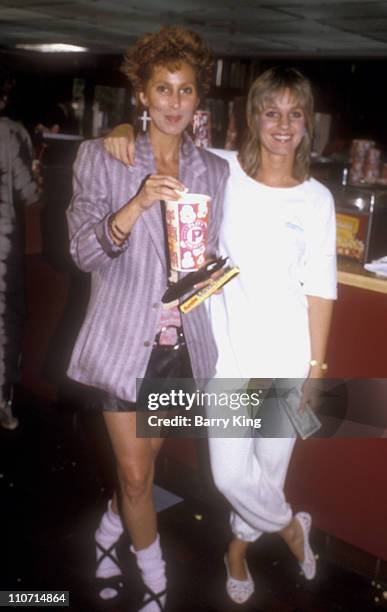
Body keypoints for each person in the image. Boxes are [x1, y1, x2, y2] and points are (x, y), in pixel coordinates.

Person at [103, 66, 337, 605]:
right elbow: (162, 139)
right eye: (270, 112)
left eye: (294, 114)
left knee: (268, 476)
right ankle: (292, 529)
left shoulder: (318, 200)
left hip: (286, 360)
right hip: (228, 357)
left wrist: (317, 373)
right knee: (233, 477)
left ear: (307, 124)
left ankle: (236, 552)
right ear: (251, 117)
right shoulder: (221, 170)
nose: (282, 125)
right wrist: (121, 130)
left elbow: (322, 289)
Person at [66, 26, 229, 612]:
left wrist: (213, 271)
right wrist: (136, 204)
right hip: (124, 342)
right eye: (163, 88)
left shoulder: (214, 170)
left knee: (149, 459)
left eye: (185, 91)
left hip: (180, 342)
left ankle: (110, 530)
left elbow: (202, 261)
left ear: (198, 97)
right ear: (142, 92)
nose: (174, 103)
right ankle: (156, 584)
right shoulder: (103, 156)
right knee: (136, 476)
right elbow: (83, 252)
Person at [0, 64, 38, 430]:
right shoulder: (11, 133)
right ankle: (3, 404)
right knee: (5, 323)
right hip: (3, 244)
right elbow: (29, 192)